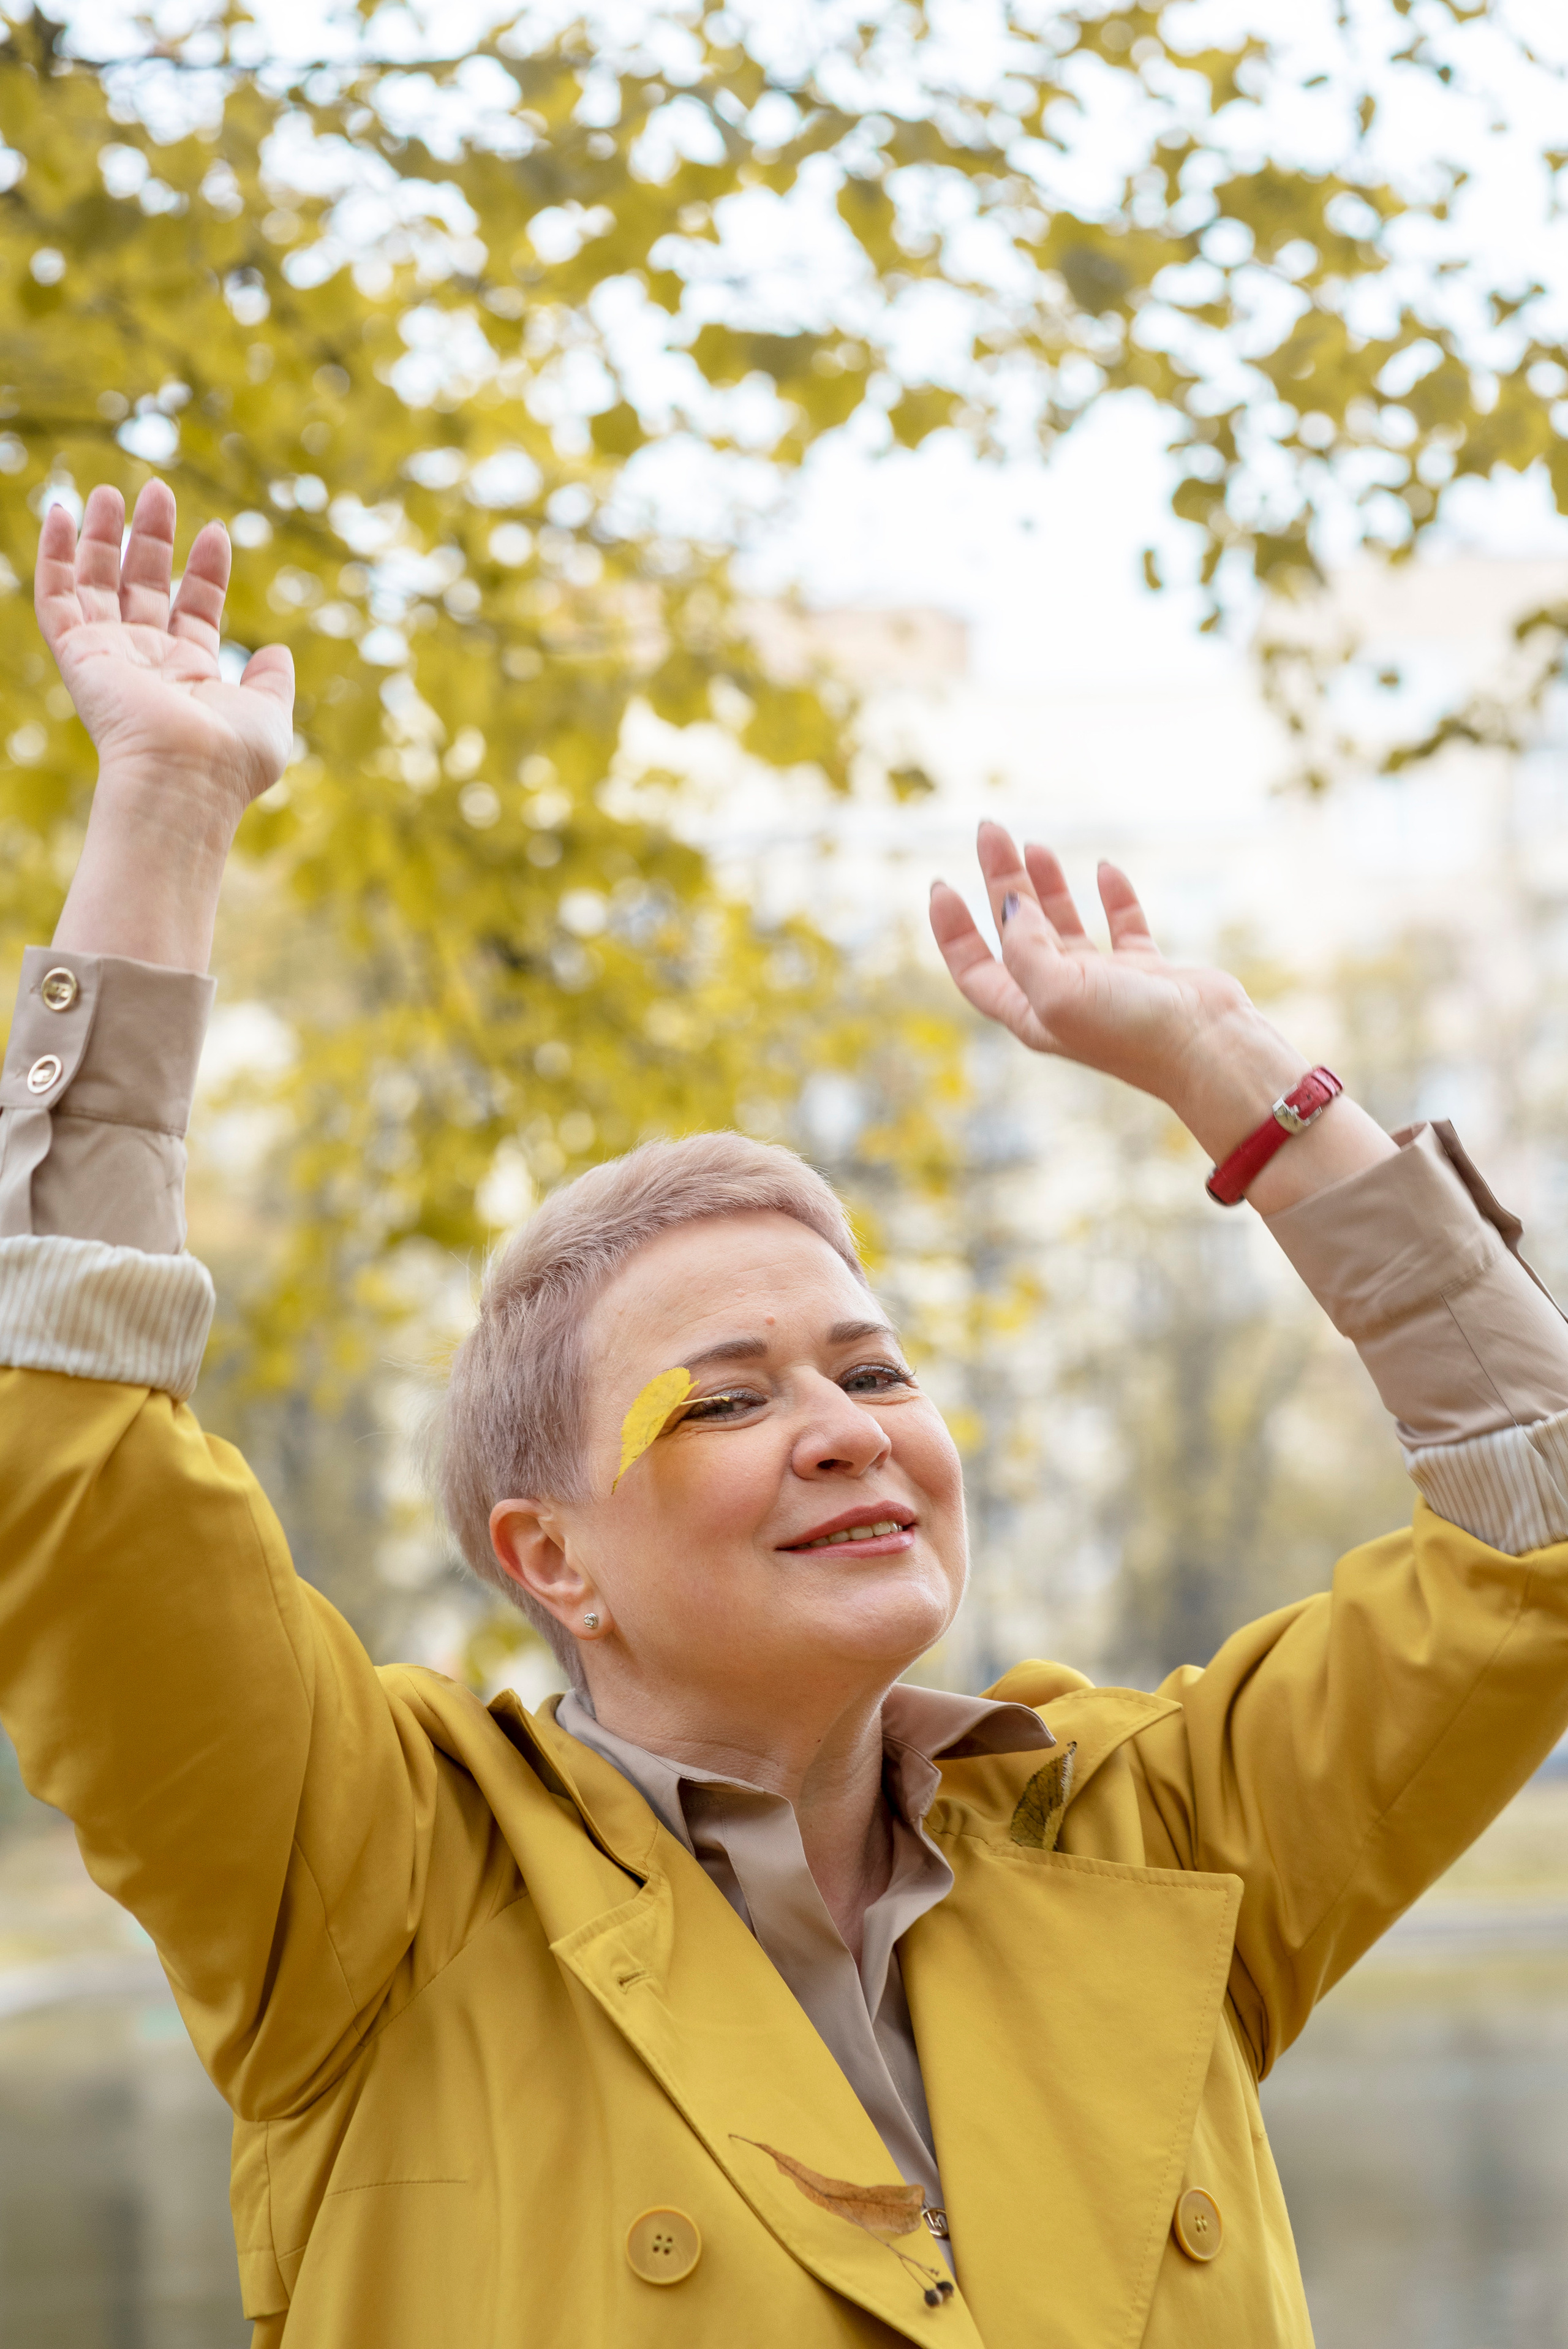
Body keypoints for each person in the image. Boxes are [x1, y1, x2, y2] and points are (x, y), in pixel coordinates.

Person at [2, 481, 1567, 2349]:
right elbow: (80, 1470)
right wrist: (170, 809)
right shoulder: (371, 1878)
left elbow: (1534, 1540)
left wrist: (1247, 1082)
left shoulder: (1146, 1842)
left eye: (874, 1368)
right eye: (729, 1395)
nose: (846, 1426)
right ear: (550, 1556)